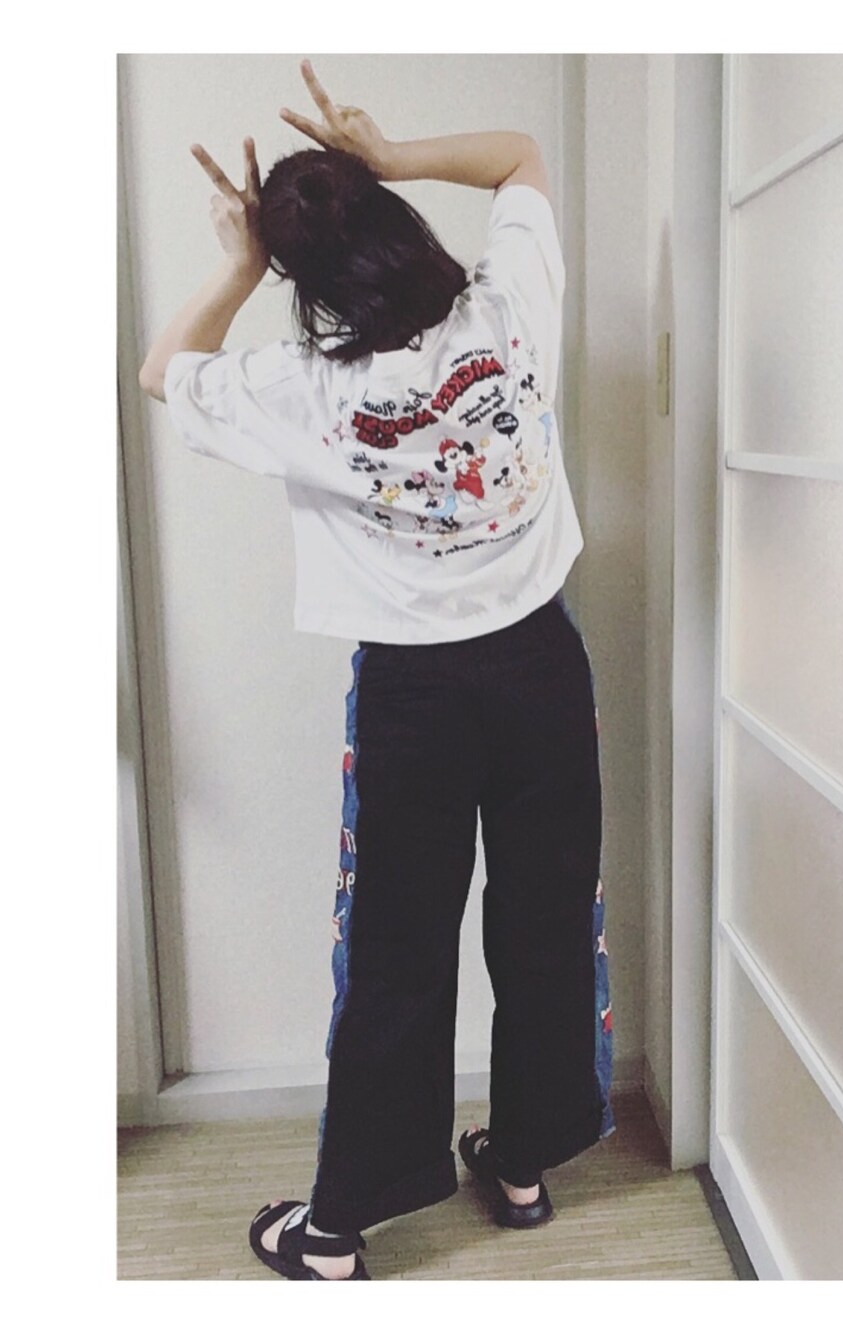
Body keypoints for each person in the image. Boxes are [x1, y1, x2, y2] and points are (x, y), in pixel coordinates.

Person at [138, 57, 615, 1282]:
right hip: (541, 667)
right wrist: (389, 152)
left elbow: (162, 369)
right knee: (546, 914)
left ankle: (340, 1226)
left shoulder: (302, 390)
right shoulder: (508, 309)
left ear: (307, 284)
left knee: (396, 947)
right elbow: (519, 155)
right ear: (397, 222)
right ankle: (521, 1164)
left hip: (417, 698)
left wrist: (240, 263)